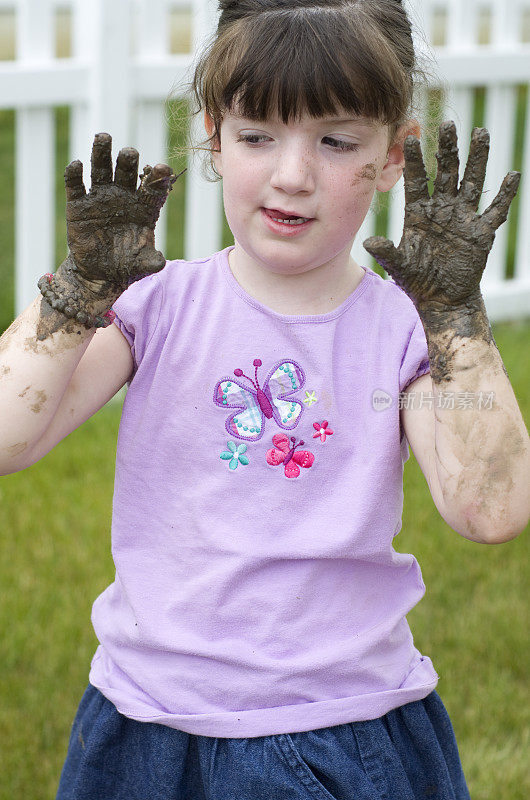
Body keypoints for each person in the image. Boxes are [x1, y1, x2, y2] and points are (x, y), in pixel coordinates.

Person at [1, 0, 528, 797]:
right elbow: (9, 437)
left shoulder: (404, 331)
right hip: (149, 725)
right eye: (257, 136)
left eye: (337, 141)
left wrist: (455, 319)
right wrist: (74, 293)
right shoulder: (157, 306)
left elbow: (491, 512)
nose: (292, 174)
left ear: (395, 156)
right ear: (213, 135)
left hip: (348, 727)